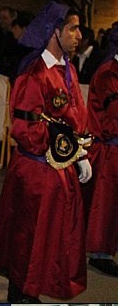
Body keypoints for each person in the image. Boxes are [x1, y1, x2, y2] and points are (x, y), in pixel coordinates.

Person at [0, 2, 91, 302]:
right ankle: (21, 295)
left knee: (50, 239)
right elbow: (25, 130)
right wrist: (64, 149)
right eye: (72, 29)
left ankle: (34, 288)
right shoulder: (35, 75)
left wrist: (81, 154)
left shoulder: (67, 70)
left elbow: (76, 118)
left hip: (59, 170)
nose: (79, 34)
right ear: (54, 33)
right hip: (36, 172)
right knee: (27, 238)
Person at [84, 24, 118, 277]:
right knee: (104, 205)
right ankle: (100, 252)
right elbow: (111, 117)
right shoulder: (108, 74)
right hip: (108, 150)